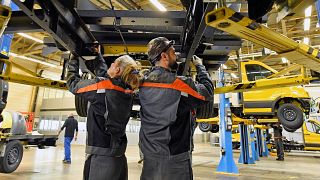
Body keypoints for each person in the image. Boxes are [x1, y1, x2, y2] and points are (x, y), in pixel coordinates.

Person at [139, 37, 214, 180]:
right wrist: (200, 67)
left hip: (150, 159)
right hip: (174, 161)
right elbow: (208, 93)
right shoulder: (179, 84)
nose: (177, 56)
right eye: (173, 52)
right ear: (164, 56)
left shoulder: (142, 82)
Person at [67, 50, 141, 180]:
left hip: (102, 159)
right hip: (118, 158)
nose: (110, 65)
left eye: (112, 65)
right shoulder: (127, 91)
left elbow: (72, 84)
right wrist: (97, 55)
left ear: (117, 70)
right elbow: (105, 77)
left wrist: (73, 58)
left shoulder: (104, 88)